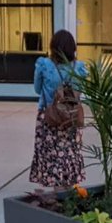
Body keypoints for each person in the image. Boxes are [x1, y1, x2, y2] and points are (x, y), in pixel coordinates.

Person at [30, 30, 87, 190]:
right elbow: (80, 91)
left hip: (49, 117)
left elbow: (36, 89)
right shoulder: (80, 68)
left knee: (52, 154)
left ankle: (57, 190)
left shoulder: (44, 65)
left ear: (53, 46)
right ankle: (68, 188)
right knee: (70, 153)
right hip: (71, 118)